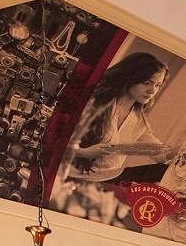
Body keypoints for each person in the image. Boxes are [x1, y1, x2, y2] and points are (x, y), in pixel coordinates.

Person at [52, 53, 175, 222]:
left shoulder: (137, 118)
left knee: (160, 174)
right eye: (147, 83)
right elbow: (54, 141)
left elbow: (161, 154)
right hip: (71, 180)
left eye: (158, 85)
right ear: (131, 77)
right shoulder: (95, 104)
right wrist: (85, 153)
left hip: (105, 184)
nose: (152, 91)